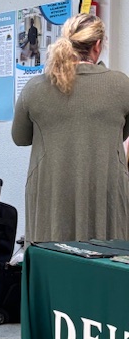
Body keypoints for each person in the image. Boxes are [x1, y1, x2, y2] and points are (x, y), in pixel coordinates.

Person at [12, 13, 129, 244]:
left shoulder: (35, 88)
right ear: (97, 45)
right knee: (108, 265)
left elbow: (20, 137)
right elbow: (121, 133)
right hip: (105, 199)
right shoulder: (121, 85)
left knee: (53, 266)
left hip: (50, 201)